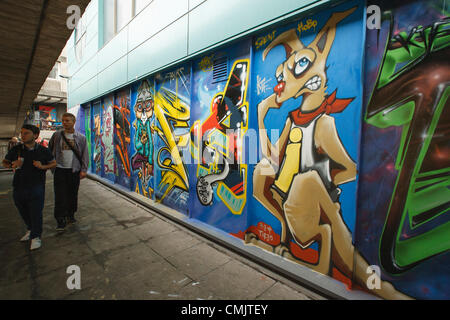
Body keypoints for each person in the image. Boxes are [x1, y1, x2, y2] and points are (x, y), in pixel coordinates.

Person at [2, 124, 56, 250]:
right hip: (19, 186)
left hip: (36, 186)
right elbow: (5, 162)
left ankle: (36, 236)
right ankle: (31, 229)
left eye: (26, 133)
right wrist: (12, 165)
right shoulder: (17, 149)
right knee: (23, 210)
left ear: (35, 135)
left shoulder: (43, 150)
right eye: (22, 133)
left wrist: (42, 167)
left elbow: (53, 163)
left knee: (36, 212)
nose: (23, 135)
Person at [48, 113, 89, 231]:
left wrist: (84, 170)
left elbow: (84, 155)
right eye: (63, 121)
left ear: (74, 122)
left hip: (74, 170)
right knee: (60, 195)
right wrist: (51, 165)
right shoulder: (57, 136)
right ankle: (60, 219)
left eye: (67, 121)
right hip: (59, 170)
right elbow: (50, 150)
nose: (65, 123)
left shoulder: (81, 138)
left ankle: (70, 214)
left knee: (72, 194)